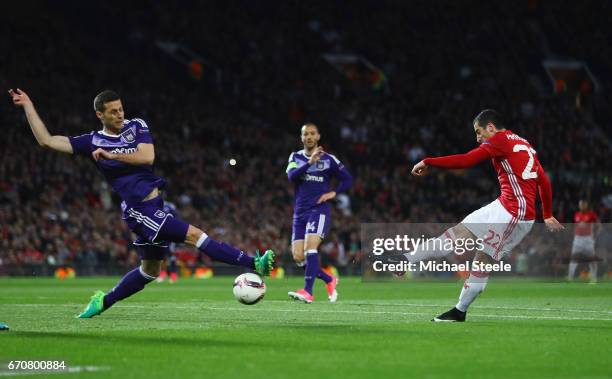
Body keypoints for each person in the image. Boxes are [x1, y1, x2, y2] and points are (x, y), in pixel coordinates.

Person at [9, 88, 274, 318]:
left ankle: (102, 301)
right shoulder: (92, 141)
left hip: (155, 207)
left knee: (150, 271)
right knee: (195, 235)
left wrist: (112, 154)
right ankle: (254, 264)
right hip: (139, 210)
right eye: (112, 112)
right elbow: (47, 141)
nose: (119, 114)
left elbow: (147, 156)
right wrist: (29, 107)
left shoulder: (136, 126)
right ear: (99, 115)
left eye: (121, 109)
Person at [408, 109, 563, 322]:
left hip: (515, 214)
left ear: (490, 127)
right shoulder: (524, 143)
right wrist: (547, 213)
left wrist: (429, 161)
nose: (478, 138)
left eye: (479, 132)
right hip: (503, 206)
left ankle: (459, 311)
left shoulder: (499, 140)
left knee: (482, 260)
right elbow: (543, 180)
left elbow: (466, 160)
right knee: (456, 235)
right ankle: (405, 259)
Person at [286, 123, 352, 303]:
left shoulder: (329, 159)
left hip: (319, 210)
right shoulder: (296, 156)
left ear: (318, 137)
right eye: (305, 134)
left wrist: (334, 193)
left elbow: (347, 179)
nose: (308, 137)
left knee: (310, 248)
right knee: (298, 257)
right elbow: (292, 177)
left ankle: (308, 291)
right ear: (301, 138)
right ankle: (329, 279)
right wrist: (309, 163)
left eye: (312, 134)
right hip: (300, 213)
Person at [568, 200, 600, 282]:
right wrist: (574, 235)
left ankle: (594, 278)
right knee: (573, 258)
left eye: (583, 204)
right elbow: (575, 226)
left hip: (588, 239)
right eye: (580, 204)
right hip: (577, 239)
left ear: (586, 205)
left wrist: (595, 237)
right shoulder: (576, 214)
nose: (581, 206)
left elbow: (599, 226)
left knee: (591, 259)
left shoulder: (591, 214)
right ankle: (570, 277)